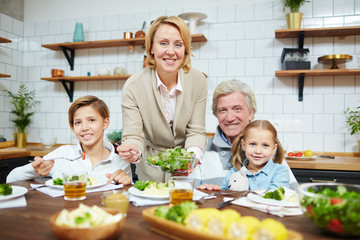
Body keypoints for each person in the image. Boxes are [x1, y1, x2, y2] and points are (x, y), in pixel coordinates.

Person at [118, 16, 207, 182]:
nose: (171, 51)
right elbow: (133, 135)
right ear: (151, 47)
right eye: (163, 43)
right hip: (149, 169)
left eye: (178, 44)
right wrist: (132, 150)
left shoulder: (198, 81)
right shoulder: (133, 86)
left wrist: (191, 158)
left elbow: (196, 131)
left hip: (185, 168)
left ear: (185, 49)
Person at [7, 95, 132, 185]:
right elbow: (11, 179)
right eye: (78, 122)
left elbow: (127, 197)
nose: (84, 128)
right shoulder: (63, 154)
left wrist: (127, 182)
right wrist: (34, 170)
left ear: (106, 123)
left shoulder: (120, 162)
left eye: (91, 120)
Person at [196, 79, 297, 190]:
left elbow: (293, 197)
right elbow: (186, 194)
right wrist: (208, 192)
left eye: (237, 109)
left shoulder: (267, 150)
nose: (230, 118)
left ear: (251, 113)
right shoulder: (199, 149)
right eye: (222, 110)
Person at [221, 120, 289, 191]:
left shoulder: (280, 171)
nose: (258, 151)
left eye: (265, 145)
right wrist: (213, 189)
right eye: (252, 144)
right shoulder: (235, 171)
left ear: (273, 149)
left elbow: (275, 197)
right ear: (244, 145)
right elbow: (222, 194)